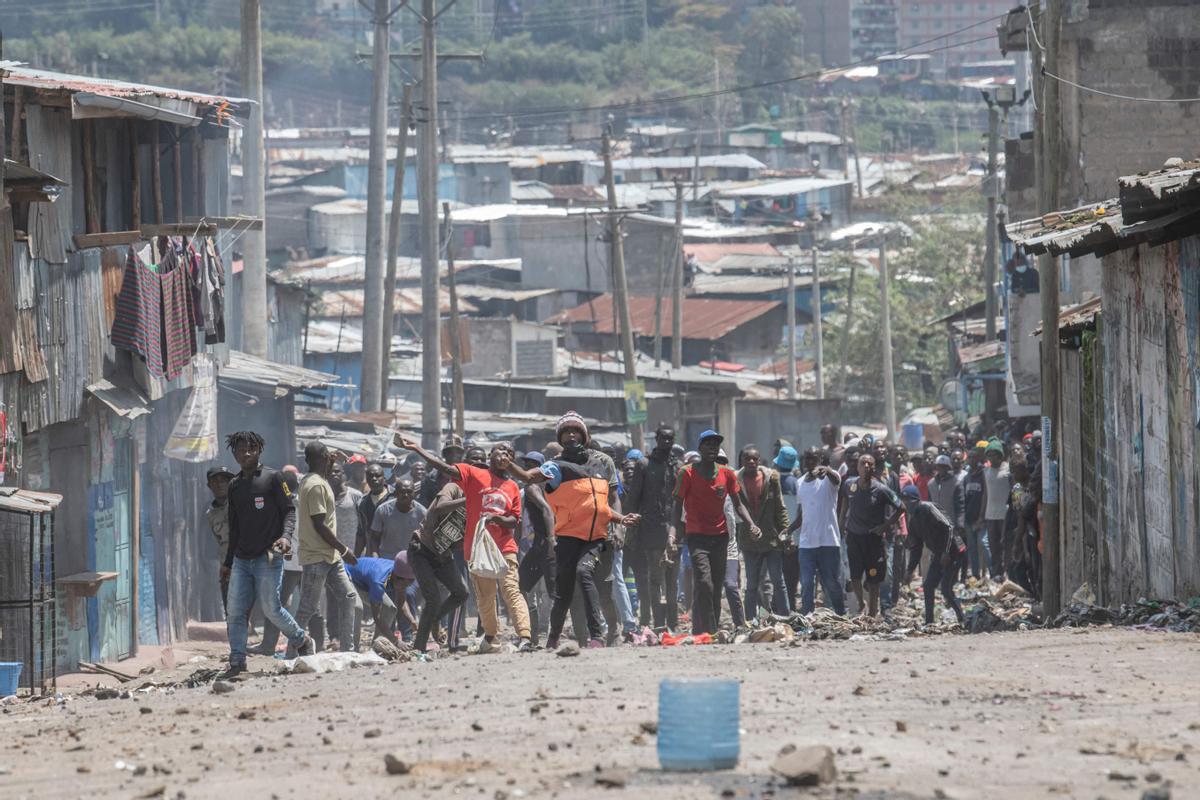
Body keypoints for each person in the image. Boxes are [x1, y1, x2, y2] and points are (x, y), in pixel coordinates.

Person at [506, 422, 641, 651]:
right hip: (567, 538)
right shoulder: (556, 467)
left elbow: (603, 506)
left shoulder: (601, 464)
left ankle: (603, 634)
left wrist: (621, 522)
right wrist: (508, 464)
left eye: (576, 431)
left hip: (599, 538)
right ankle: (557, 638)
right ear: (561, 439)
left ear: (584, 436)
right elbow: (529, 477)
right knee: (565, 591)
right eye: (567, 432)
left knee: (594, 581)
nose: (571, 435)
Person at [397, 434, 532, 653]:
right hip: (459, 550)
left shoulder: (512, 487)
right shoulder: (468, 479)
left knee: (508, 590)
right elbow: (443, 470)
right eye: (500, 450)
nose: (504, 455)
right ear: (490, 456)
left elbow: (514, 520)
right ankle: (488, 638)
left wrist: (495, 519)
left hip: (499, 548)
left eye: (509, 453)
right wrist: (418, 449)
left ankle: (524, 637)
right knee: (483, 597)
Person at [220, 432, 313, 677]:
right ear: (234, 454)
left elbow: (289, 511)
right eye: (241, 450)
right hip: (241, 559)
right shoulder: (235, 485)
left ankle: (301, 640)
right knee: (236, 611)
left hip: (269, 557)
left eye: (251, 449)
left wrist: (285, 536)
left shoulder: (274, 478)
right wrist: (228, 562)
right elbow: (234, 526)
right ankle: (237, 660)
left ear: (259, 450)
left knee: (271, 608)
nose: (246, 453)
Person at [673, 430, 760, 635]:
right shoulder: (687, 473)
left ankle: (709, 631)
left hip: (720, 537)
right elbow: (676, 505)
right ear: (700, 448)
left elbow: (738, 505)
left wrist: (751, 524)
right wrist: (673, 533)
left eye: (715, 444)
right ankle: (708, 629)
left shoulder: (726, 474)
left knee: (716, 587)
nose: (712, 447)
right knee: (704, 582)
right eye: (708, 444)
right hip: (696, 536)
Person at [292, 442, 358, 656]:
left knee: (348, 597)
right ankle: (291, 654)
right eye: (327, 457)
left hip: (330, 556)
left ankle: (347, 649)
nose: (330, 460)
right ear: (320, 458)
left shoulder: (314, 480)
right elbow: (320, 524)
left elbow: (324, 472)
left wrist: (332, 459)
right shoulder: (316, 486)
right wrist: (345, 550)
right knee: (307, 609)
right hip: (317, 556)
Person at [624, 425, 682, 630]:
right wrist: (632, 526)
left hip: (675, 529)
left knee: (672, 581)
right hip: (651, 529)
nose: (666, 442)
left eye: (670, 439)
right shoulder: (643, 464)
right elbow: (634, 499)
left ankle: (673, 624)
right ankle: (658, 623)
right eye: (663, 438)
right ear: (656, 439)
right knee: (655, 579)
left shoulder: (678, 466)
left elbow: (680, 500)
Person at [408, 473, 469, 653]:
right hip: (422, 549)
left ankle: (435, 618)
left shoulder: (478, 510)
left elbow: (458, 542)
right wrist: (468, 500)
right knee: (433, 599)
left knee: (461, 592)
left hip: (442, 553)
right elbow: (439, 508)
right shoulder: (454, 488)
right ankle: (419, 647)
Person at [839, 453, 902, 618]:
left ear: (874, 468)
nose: (866, 466)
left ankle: (873, 615)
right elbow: (845, 502)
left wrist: (885, 526)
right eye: (863, 463)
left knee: (874, 580)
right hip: (854, 538)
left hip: (873, 540)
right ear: (857, 467)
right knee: (854, 577)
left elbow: (901, 507)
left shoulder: (881, 489)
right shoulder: (848, 484)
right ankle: (861, 603)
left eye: (869, 464)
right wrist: (841, 523)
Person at [787, 447, 846, 615]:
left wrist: (827, 470)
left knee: (831, 583)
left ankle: (841, 613)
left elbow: (836, 480)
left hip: (828, 541)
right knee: (806, 583)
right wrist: (789, 530)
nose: (810, 462)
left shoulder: (830, 478)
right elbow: (801, 514)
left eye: (814, 459)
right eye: (807, 459)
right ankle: (807, 616)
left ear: (821, 459)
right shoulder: (799, 483)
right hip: (807, 543)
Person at [736, 446, 790, 621]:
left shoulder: (771, 478)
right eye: (747, 459)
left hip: (771, 539)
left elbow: (780, 507)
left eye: (754, 458)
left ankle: (785, 617)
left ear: (759, 460)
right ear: (742, 461)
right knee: (751, 585)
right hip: (749, 540)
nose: (751, 462)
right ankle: (750, 620)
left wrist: (785, 532)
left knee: (778, 581)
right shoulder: (737, 481)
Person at [901, 486, 966, 625]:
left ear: (917, 500)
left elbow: (949, 527)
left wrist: (947, 552)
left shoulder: (928, 508)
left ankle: (962, 617)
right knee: (928, 585)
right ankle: (929, 622)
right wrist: (909, 570)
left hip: (954, 550)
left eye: (909, 502)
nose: (907, 505)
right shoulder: (913, 522)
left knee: (946, 589)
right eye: (904, 502)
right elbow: (916, 549)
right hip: (939, 553)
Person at [517, 451, 556, 647]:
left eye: (532, 465)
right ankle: (533, 635)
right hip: (538, 546)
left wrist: (551, 541)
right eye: (526, 465)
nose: (527, 468)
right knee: (522, 586)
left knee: (551, 592)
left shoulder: (533, 487)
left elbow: (547, 512)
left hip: (545, 546)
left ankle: (550, 636)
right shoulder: (545, 487)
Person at [328, 462, 364, 646]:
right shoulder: (324, 495)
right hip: (331, 553)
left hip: (353, 554)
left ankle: (349, 634)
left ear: (343, 474)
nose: (334, 474)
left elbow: (364, 525)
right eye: (330, 471)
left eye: (337, 471)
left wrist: (358, 550)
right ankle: (334, 635)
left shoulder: (355, 496)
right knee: (332, 596)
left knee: (351, 596)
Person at [342, 556, 399, 649]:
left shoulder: (401, 571)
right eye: (405, 583)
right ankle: (351, 649)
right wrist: (395, 640)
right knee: (356, 607)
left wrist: (412, 621)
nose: (407, 585)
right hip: (348, 576)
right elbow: (377, 618)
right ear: (396, 577)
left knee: (390, 609)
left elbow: (402, 601)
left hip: (365, 581)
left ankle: (377, 648)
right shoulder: (379, 580)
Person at [206, 465, 235, 614]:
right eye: (215, 481)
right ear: (209, 486)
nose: (220, 484)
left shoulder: (240, 503)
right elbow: (219, 540)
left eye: (224, 480)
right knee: (230, 610)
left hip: (248, 562)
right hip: (227, 567)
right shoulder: (211, 514)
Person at [960, 444, 990, 581]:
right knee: (971, 548)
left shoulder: (982, 474)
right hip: (968, 518)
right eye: (969, 457)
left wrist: (981, 517)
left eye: (974, 457)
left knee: (983, 544)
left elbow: (985, 495)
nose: (971, 460)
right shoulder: (966, 477)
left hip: (981, 518)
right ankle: (976, 575)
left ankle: (992, 573)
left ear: (978, 459)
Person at [982, 444, 1011, 581]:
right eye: (989, 455)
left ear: (1000, 455)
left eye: (994, 455)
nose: (991, 458)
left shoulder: (1008, 470)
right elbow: (985, 495)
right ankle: (996, 573)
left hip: (1005, 515)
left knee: (1006, 545)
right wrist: (982, 513)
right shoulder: (986, 472)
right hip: (990, 515)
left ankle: (1007, 573)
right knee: (994, 547)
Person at [358, 465, 391, 555]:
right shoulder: (362, 503)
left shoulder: (394, 497)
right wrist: (355, 557)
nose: (374, 478)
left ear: (384, 478)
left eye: (377, 475)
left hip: (392, 553)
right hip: (371, 553)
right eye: (370, 476)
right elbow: (361, 533)